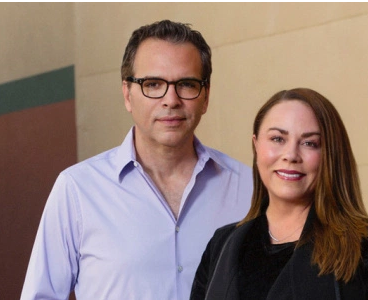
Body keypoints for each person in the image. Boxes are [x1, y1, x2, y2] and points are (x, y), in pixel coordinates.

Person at [21, 20, 252, 300]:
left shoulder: (249, 188)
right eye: (153, 84)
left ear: (205, 96)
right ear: (127, 95)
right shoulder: (77, 190)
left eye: (187, 84)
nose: (171, 100)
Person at [190, 88, 368, 299]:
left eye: (310, 143)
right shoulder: (222, 245)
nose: (291, 155)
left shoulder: (363, 246)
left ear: (329, 155)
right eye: (277, 139)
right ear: (256, 145)